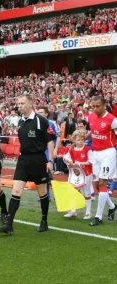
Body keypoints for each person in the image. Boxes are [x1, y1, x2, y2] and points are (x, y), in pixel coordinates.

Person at [0, 95, 54, 235]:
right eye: (18, 103)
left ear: (31, 104)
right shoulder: (21, 121)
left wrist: (50, 161)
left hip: (38, 160)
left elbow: (50, 142)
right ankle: (9, 225)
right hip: (23, 160)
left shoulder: (41, 121)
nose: (19, 105)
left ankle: (44, 221)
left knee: (42, 192)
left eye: (22, 103)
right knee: (16, 191)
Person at [87, 96, 117, 226]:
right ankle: (112, 206)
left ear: (105, 105)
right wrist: (84, 136)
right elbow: (93, 132)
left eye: (98, 106)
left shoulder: (113, 120)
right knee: (98, 185)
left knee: (103, 182)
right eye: (93, 106)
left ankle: (98, 216)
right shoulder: (91, 116)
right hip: (95, 154)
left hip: (108, 153)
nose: (95, 109)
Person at [63, 130, 93, 219]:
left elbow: (91, 161)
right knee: (73, 191)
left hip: (86, 174)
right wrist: (69, 160)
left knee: (86, 192)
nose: (81, 142)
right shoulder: (71, 149)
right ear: (74, 140)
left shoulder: (87, 149)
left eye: (82, 140)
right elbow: (65, 157)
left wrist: (81, 163)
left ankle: (88, 212)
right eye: (79, 140)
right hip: (76, 174)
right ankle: (73, 211)